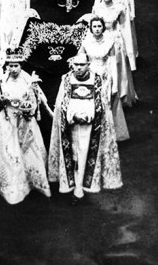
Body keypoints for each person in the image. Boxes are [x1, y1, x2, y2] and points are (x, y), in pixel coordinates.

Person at [47, 50, 122, 201]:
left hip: (90, 125)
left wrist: (89, 115)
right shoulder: (67, 79)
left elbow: (101, 103)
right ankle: (71, 184)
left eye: (82, 65)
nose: (79, 68)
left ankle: (81, 186)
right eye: (77, 65)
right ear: (72, 65)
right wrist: (72, 115)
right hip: (71, 124)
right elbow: (61, 102)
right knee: (73, 153)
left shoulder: (96, 80)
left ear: (88, 65)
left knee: (85, 154)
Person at [0, 46, 51, 204]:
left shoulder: (29, 80)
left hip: (25, 122)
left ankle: (32, 184)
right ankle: (12, 189)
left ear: (21, 65)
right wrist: (1, 100)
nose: (13, 69)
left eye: (16, 66)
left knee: (28, 153)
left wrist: (27, 108)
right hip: (6, 122)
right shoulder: (2, 80)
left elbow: (35, 103)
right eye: (10, 66)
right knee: (9, 154)